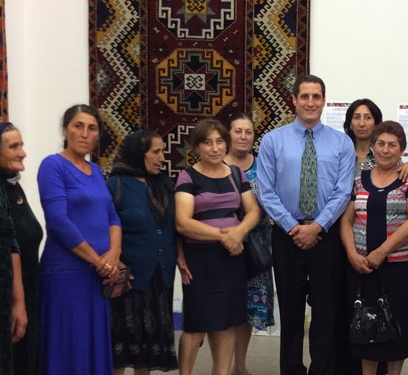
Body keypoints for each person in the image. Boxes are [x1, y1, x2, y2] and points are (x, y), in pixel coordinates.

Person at [257, 74, 356, 375]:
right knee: (290, 309)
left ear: (324, 101)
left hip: (327, 236)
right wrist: (292, 226)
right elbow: (265, 190)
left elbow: (343, 191)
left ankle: (322, 370)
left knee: (326, 310)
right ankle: (291, 369)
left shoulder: (342, 143)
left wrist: (318, 226)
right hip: (287, 235)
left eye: (316, 97)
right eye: (304, 96)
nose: (310, 102)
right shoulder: (273, 141)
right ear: (294, 100)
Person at [37, 104, 122, 375]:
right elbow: (58, 221)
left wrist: (113, 256)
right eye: (78, 126)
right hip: (67, 273)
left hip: (97, 277)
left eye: (92, 128)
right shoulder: (53, 165)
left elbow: (113, 217)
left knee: (92, 343)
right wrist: (100, 262)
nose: (85, 133)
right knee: (68, 344)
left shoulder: (95, 171)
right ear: (65, 130)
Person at [175, 118, 260, 375]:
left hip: (233, 258)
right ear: (197, 147)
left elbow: (253, 211)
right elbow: (183, 222)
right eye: (207, 143)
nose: (215, 148)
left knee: (228, 323)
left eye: (220, 141)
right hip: (201, 260)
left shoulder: (236, 173)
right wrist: (224, 236)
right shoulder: (188, 176)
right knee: (195, 325)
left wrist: (239, 233)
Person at [340, 121, 408, 375]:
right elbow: (346, 220)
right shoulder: (359, 179)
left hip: (397, 268)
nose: (385, 150)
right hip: (363, 267)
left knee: (396, 327)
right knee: (365, 327)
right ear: (373, 147)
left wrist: (382, 252)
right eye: (381, 144)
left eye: (392, 145)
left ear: (401, 149)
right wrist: (352, 254)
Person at [106, 129, 178, 374]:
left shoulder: (165, 184)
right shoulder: (115, 185)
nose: (162, 158)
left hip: (160, 278)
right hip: (127, 279)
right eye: (156, 152)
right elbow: (102, 228)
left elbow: (174, 226)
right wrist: (115, 262)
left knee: (147, 351)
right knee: (120, 348)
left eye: (162, 151)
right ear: (139, 153)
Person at [223, 113, 274, 375]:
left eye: (249, 132)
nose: (244, 136)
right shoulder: (216, 164)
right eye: (238, 131)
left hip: (257, 247)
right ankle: (222, 366)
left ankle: (239, 366)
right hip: (223, 246)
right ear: (227, 134)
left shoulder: (263, 166)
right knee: (225, 308)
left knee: (249, 310)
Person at [0, 123, 42, 375]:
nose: (22, 153)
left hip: (27, 293)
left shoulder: (13, 186)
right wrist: (18, 303)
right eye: (14, 146)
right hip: (10, 299)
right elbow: (10, 244)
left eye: (22, 145)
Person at [344, 99, 408, 180]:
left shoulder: (384, 152)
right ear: (350, 124)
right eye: (356, 117)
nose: (361, 124)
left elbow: (399, 174)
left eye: (368, 118)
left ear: (376, 124)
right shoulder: (342, 152)